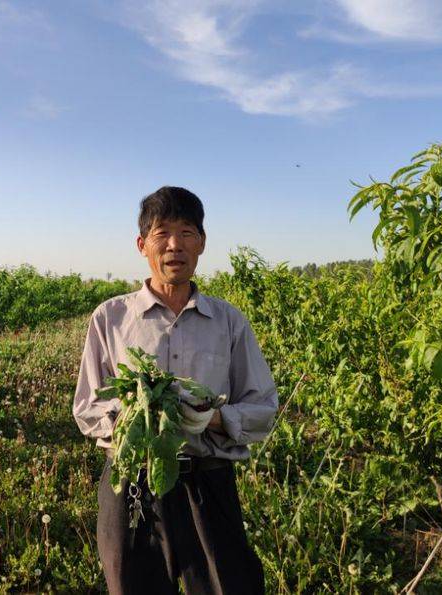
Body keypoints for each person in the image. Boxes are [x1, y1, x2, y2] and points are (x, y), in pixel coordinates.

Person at [72, 186, 278, 594]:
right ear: (142, 244)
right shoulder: (110, 319)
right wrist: (131, 420)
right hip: (134, 485)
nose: (174, 245)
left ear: (201, 243)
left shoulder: (228, 322)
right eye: (162, 233)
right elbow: (87, 407)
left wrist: (214, 418)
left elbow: (263, 408)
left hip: (208, 483)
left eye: (186, 233)